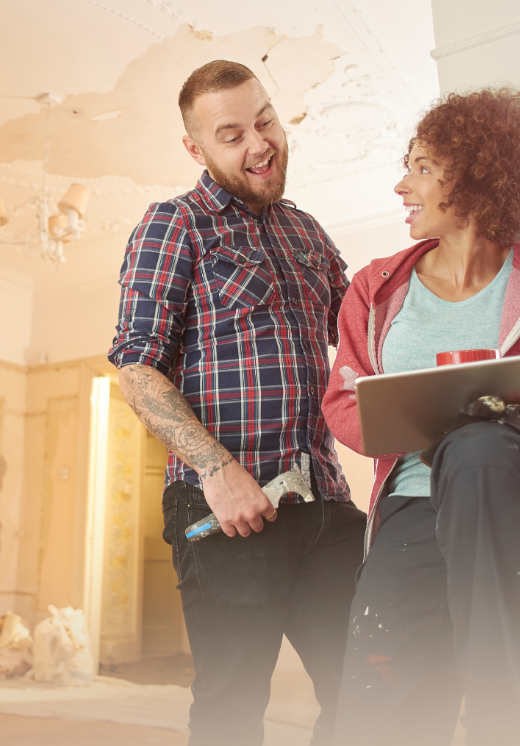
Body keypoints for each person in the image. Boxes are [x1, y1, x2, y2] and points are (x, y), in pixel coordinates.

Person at [108, 60, 366, 746]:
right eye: (231, 134)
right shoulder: (175, 225)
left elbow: (365, 342)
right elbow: (135, 366)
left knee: (369, 690)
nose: (259, 143)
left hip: (324, 502)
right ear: (195, 149)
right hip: (222, 511)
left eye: (265, 120)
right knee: (231, 709)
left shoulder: (307, 232)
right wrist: (218, 471)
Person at [322, 87, 520, 746]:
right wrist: (419, 416)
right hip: (413, 505)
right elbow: (344, 402)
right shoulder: (375, 288)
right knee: (379, 707)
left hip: (506, 497)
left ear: (475, 174)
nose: (403, 185)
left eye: (423, 168)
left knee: (479, 449)